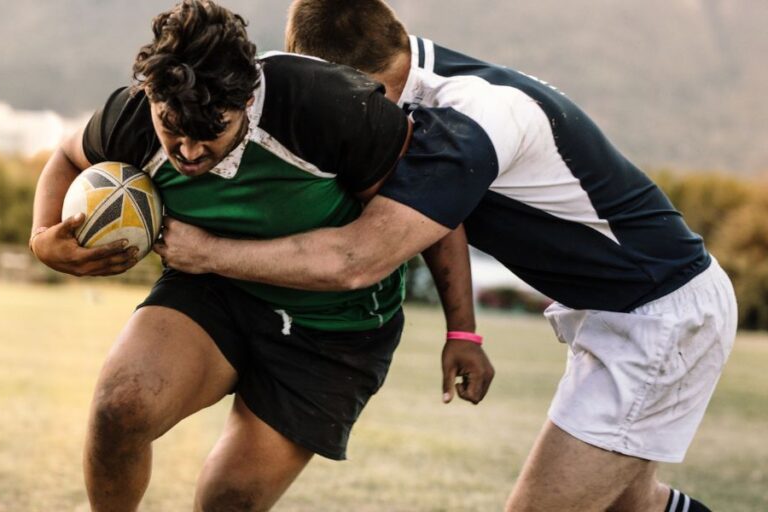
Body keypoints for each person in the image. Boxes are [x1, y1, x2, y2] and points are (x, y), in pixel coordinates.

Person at [154, 1, 738, 511]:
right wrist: (465, 332)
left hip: (660, 316)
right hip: (627, 310)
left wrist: (205, 253)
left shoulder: (470, 116)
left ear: (340, 79)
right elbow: (440, 211)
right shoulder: (421, 91)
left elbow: (357, 260)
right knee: (631, 505)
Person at [29, 1, 491, 509]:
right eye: (171, 128)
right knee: (119, 410)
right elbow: (68, 156)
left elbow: (434, 206)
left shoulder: (330, 106)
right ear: (150, 94)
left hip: (334, 329)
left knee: (226, 500)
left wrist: (463, 330)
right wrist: (42, 238)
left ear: (248, 99)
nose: (186, 152)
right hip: (213, 294)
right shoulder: (133, 117)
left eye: (210, 133)